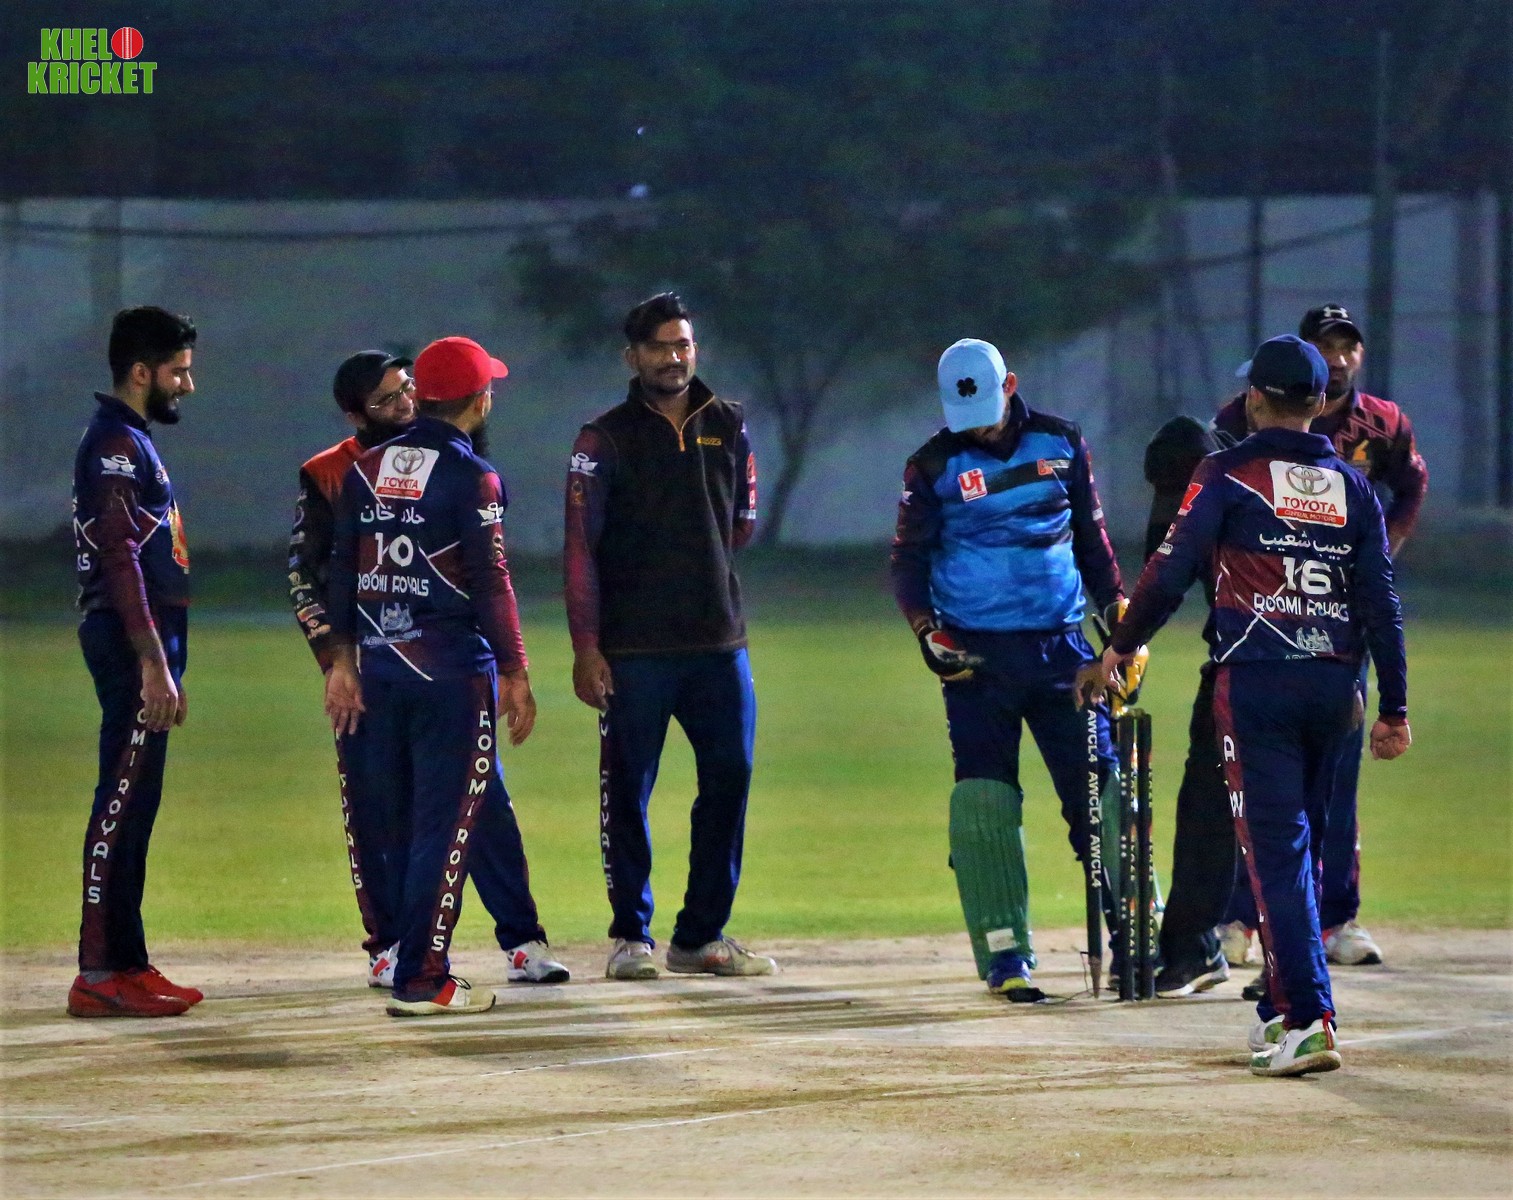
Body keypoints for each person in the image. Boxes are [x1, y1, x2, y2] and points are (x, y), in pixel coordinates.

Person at [1092, 334, 1410, 1077]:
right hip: (1337, 687)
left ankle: (1307, 1019)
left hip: (1259, 682)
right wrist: (1394, 706)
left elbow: (1170, 570)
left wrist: (1122, 646)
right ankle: (1280, 1005)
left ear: (1256, 400)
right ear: (1320, 403)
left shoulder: (1227, 473)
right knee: (1305, 851)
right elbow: (1381, 604)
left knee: (1274, 856)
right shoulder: (1351, 487)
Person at [324, 336, 568, 1016]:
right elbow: (491, 581)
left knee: (410, 826)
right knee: (447, 826)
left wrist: (342, 660)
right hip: (452, 677)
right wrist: (516, 670)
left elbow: (341, 568)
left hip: (379, 672)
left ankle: (407, 960)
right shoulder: (472, 477)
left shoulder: (365, 468)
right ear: (479, 400)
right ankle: (423, 978)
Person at [890, 337, 1127, 1001]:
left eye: (987, 411)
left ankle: (1139, 935)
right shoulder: (932, 464)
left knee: (1102, 794)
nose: (977, 429)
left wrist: (1120, 622)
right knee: (985, 805)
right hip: (976, 662)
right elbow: (907, 561)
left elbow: (1092, 542)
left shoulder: (1061, 442)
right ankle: (1005, 955)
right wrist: (926, 632)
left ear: (1011, 385)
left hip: (1063, 653)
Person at [564, 292, 774, 981]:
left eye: (682, 344)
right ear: (632, 356)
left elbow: (740, 524)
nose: (673, 357)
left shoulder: (729, 423)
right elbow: (579, 549)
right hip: (633, 650)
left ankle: (700, 936)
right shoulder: (603, 439)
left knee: (730, 779)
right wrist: (587, 648)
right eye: (658, 346)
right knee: (628, 790)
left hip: (718, 643)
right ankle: (631, 936)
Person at [1213, 304, 1427, 976]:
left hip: (1337, 625)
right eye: (1325, 346)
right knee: (1254, 786)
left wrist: (1384, 549)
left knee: (1333, 780)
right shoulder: (1239, 418)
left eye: (1348, 346)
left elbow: (1412, 482)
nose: (1338, 358)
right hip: (1260, 621)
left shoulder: (1381, 424)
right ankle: (1241, 917)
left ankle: (1335, 917)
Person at [68, 306, 204, 1018]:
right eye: (179, 372)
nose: (188, 384)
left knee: (137, 805)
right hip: (129, 645)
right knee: (120, 803)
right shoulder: (115, 445)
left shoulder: (133, 440)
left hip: (146, 645)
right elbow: (119, 559)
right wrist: (153, 661)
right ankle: (98, 973)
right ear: (142, 372)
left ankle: (128, 962)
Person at [288, 351, 418, 987]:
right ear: (355, 414)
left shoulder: (442, 457)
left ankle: (520, 938)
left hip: (439, 666)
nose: (404, 405)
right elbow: (302, 578)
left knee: (477, 804)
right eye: (387, 400)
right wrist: (338, 663)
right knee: (372, 809)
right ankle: (387, 945)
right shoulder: (327, 473)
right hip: (364, 672)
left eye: (407, 389)